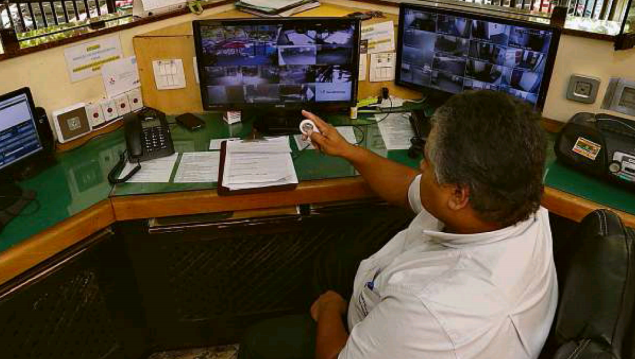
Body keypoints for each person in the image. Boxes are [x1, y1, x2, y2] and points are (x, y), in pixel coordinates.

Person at [238, 90, 558, 359]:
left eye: (427, 161)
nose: (420, 165)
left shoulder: (433, 312)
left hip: (372, 332)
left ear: (458, 195)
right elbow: (409, 186)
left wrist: (330, 310)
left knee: (260, 341)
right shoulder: (512, 200)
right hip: (386, 292)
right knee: (331, 261)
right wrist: (349, 151)